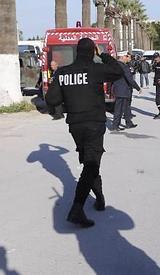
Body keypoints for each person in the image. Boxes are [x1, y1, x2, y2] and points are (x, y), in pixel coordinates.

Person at [45, 38, 123, 227]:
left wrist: (60, 84)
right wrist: (103, 54)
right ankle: (77, 208)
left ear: (76, 51)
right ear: (92, 51)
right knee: (91, 163)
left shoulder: (63, 72)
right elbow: (118, 70)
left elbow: (52, 100)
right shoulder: (95, 69)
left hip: (75, 126)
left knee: (90, 161)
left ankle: (100, 199)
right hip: (94, 124)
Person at [111, 53, 142, 131]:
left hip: (119, 89)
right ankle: (115, 126)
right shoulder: (123, 66)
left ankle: (128, 123)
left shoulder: (115, 64)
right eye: (127, 56)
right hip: (123, 90)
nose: (128, 58)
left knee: (126, 107)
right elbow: (129, 79)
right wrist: (138, 88)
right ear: (122, 56)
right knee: (119, 109)